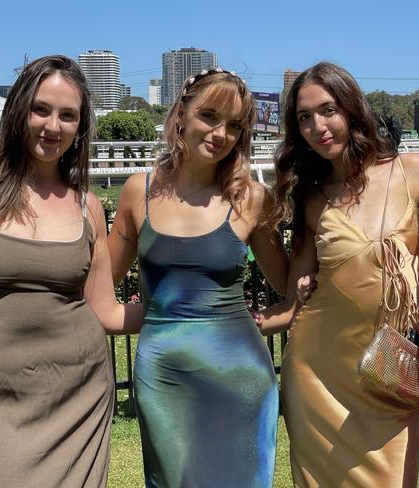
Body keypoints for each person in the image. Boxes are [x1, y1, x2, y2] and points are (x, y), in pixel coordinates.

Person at [0, 55, 142, 486]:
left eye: (68, 115)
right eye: (41, 109)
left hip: (80, 401)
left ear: (80, 127)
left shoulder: (87, 206)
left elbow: (105, 312)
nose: (53, 126)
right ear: (18, 108)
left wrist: (186, 305)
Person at [107, 68, 288, 487]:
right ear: (181, 114)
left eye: (235, 126)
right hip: (164, 378)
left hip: (241, 380)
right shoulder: (139, 191)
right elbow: (102, 292)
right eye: (209, 116)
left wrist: (269, 320)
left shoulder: (251, 198)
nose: (221, 133)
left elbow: (291, 286)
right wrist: (167, 321)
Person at [260, 62, 419, 487]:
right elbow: (292, 297)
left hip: (391, 365)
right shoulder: (310, 196)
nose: (317, 126)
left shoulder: (412, 172)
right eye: (304, 117)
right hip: (318, 372)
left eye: (328, 110)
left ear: (352, 109)